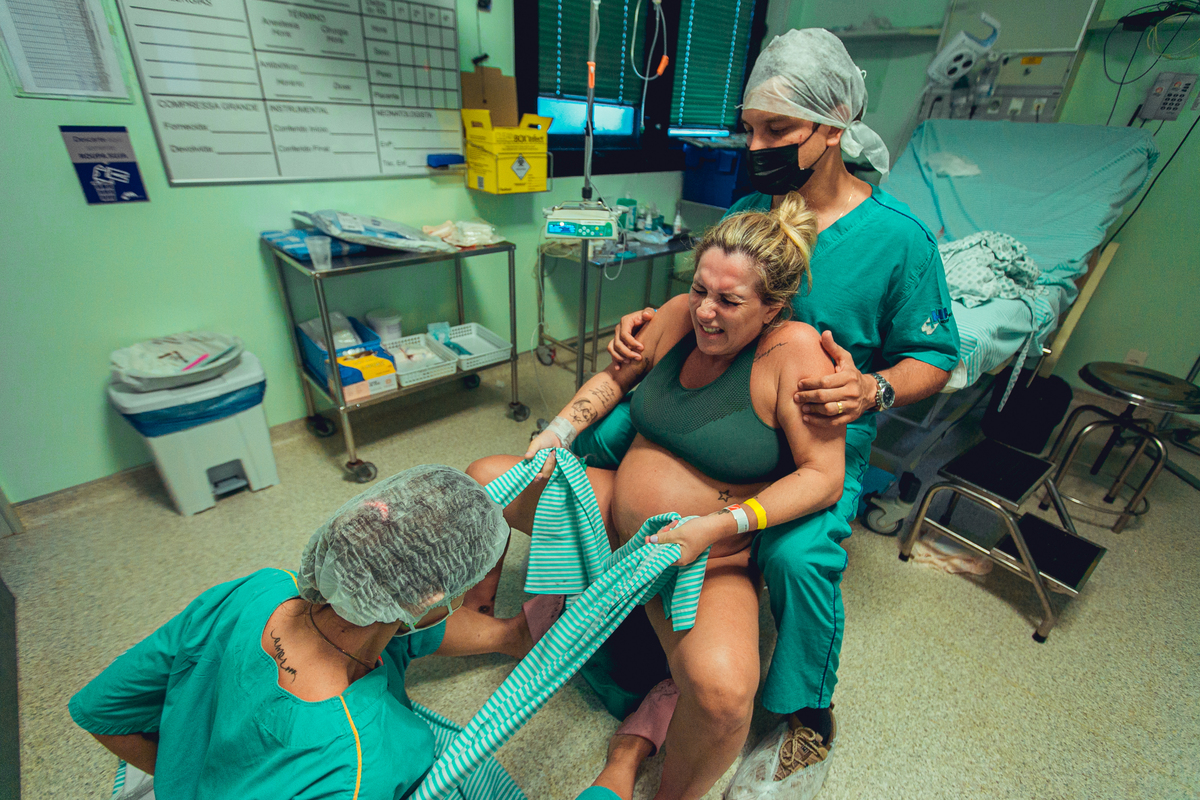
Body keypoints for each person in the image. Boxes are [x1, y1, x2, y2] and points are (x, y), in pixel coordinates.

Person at [577, 27, 962, 793]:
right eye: (749, 127)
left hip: (816, 430)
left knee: (795, 558)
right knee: (603, 436)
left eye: (776, 129)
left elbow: (937, 355)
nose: (755, 146)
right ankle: (614, 612)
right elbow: (717, 293)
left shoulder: (900, 242)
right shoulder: (754, 205)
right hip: (723, 397)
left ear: (834, 126)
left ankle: (806, 709)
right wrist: (653, 325)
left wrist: (874, 390)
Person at [467, 194, 847, 799]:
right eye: (699, 289)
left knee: (723, 698)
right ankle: (481, 614)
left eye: (729, 301)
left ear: (772, 307)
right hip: (610, 515)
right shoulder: (676, 316)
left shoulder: (794, 353)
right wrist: (557, 432)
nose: (706, 312)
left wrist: (718, 526)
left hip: (700, 552)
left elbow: (823, 476)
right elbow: (613, 378)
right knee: (484, 480)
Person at [69, 466, 533, 800]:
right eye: (464, 586)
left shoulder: (260, 589)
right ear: (430, 598)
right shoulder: (360, 764)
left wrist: (183, 779)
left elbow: (101, 710)